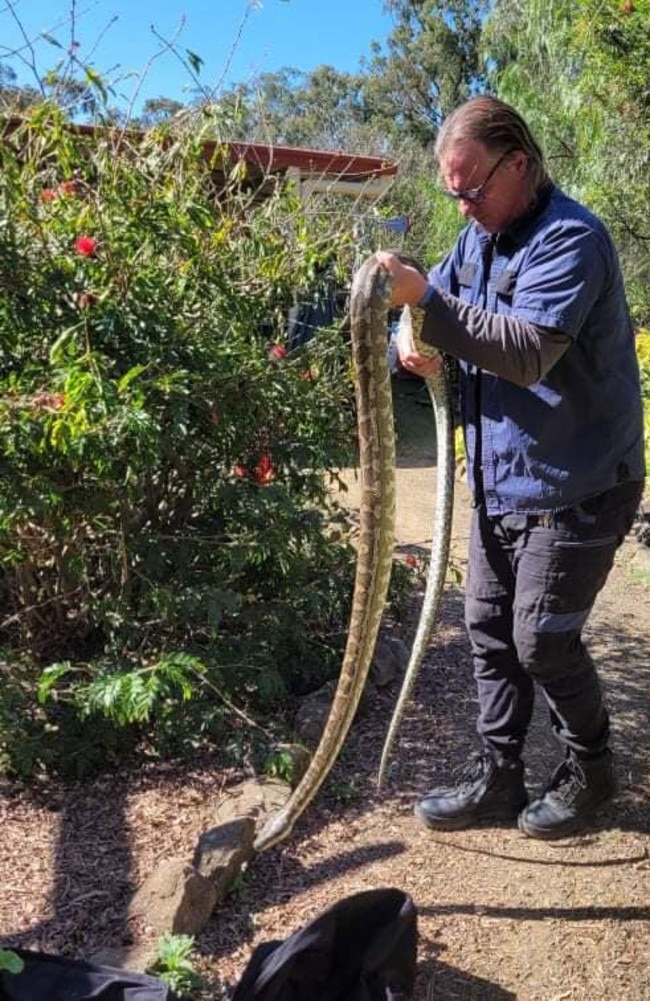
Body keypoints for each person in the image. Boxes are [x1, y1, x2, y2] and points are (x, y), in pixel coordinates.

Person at [377, 96, 645, 840]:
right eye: (451, 193)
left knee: (542, 639)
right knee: (489, 629)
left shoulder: (573, 239)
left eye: (472, 189)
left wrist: (427, 303)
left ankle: (593, 771)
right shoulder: (476, 240)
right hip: (501, 478)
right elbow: (436, 308)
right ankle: (499, 775)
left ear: (518, 164)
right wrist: (412, 335)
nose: (462, 208)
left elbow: (525, 350)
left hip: (582, 481)